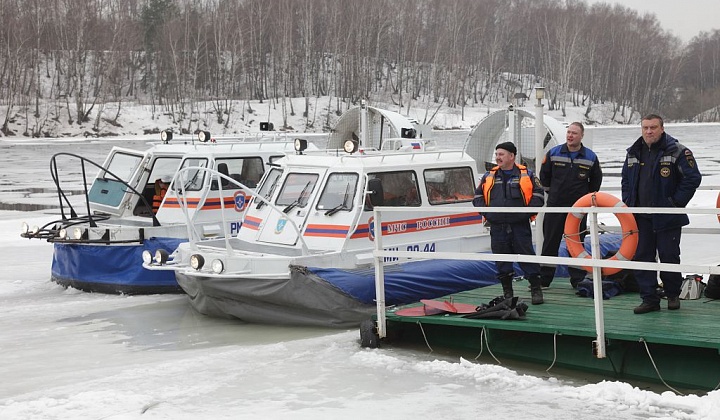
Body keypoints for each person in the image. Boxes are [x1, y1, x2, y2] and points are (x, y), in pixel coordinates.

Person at [621, 114, 702, 314]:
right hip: (641, 217)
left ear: (662, 128)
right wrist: (629, 202)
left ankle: (672, 294)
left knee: (669, 256)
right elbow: (626, 180)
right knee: (642, 257)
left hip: (668, 216)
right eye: (645, 128)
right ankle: (649, 299)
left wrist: (674, 203)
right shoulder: (633, 152)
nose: (649, 131)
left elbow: (692, 178)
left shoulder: (678, 151)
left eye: (653, 127)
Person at [474, 142, 546, 304]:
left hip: (519, 225)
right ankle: (507, 293)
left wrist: (526, 214)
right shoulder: (488, 176)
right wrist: (487, 213)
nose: (497, 157)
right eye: (497, 154)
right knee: (502, 260)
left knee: (527, 256)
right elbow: (477, 197)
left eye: (501, 154)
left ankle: (536, 289)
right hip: (497, 226)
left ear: (512, 156)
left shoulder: (526, 174)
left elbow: (539, 195)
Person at [539, 122, 603, 288]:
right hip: (555, 207)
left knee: (576, 244)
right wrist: (553, 194)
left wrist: (584, 199)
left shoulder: (590, 157)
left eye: (574, 133)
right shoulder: (553, 153)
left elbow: (595, 182)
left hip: (578, 210)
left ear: (581, 136)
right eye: (569, 132)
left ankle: (577, 279)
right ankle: (545, 279)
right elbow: (544, 177)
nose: (570, 136)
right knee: (550, 243)